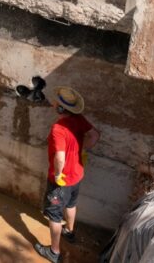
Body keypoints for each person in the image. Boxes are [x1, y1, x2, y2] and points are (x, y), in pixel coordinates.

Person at [34, 87, 100, 263]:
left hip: (62, 180)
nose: (54, 103)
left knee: (54, 214)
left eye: (58, 102)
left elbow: (60, 157)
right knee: (71, 204)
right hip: (77, 174)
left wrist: (57, 175)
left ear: (61, 109)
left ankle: (54, 252)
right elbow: (94, 135)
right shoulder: (79, 119)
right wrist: (81, 148)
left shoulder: (58, 128)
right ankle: (69, 232)